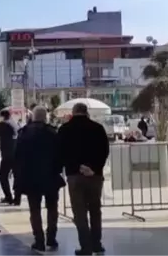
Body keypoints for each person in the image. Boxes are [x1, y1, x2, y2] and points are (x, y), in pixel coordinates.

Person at [58, 103, 109, 256]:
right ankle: (97, 244)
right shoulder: (98, 128)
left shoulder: (64, 130)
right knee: (95, 210)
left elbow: (62, 153)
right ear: (86, 113)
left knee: (79, 213)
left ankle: (85, 247)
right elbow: (104, 151)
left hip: (74, 176)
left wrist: (77, 166)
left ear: (73, 113)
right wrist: (93, 168)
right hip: (95, 176)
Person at [14, 106, 65, 252]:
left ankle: (39, 240)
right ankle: (51, 237)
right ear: (46, 117)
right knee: (52, 208)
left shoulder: (23, 133)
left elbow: (17, 157)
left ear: (33, 117)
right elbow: (60, 155)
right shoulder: (53, 133)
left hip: (31, 178)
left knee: (34, 210)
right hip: (51, 176)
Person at [0, 110, 18, 205]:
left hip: (7, 155)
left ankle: (8, 197)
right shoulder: (14, 124)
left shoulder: (3, 125)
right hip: (16, 154)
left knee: (2, 175)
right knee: (17, 176)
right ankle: (17, 198)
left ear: (2, 117)